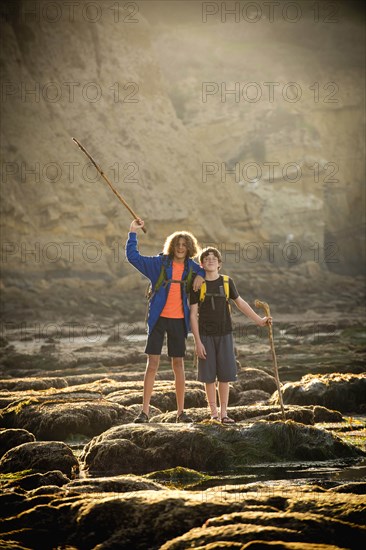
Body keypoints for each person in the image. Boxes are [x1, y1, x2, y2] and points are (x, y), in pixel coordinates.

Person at [126, 218, 205, 423]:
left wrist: (201, 276)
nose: (180, 248)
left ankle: (181, 413)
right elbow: (133, 257)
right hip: (158, 320)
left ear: (189, 248)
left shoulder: (192, 268)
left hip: (179, 322)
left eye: (184, 245)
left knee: (178, 364)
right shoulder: (159, 264)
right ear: (172, 246)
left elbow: (209, 269)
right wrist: (133, 232)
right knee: (152, 364)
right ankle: (144, 412)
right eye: (177, 245)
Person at [190, 247, 272, 424]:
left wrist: (259, 321)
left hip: (225, 334)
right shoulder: (197, 285)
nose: (210, 260)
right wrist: (197, 342)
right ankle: (213, 413)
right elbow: (192, 315)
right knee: (208, 377)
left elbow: (241, 304)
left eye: (214, 258)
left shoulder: (227, 282)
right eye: (206, 258)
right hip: (205, 336)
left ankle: (224, 413)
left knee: (225, 376)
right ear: (201, 264)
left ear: (219, 264)